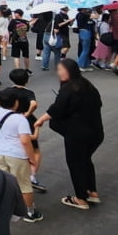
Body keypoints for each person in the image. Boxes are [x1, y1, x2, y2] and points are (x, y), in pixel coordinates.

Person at [35, 58, 103, 210]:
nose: (58, 73)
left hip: (78, 135)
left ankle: (80, 198)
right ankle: (92, 192)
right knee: (85, 160)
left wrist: (41, 119)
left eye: (61, 70)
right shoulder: (87, 85)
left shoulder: (68, 89)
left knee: (76, 164)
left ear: (69, 71)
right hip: (96, 133)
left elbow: (57, 108)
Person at [0, 88, 43, 222]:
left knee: (0, 182)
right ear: (16, 103)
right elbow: (25, 141)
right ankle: (29, 211)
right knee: (24, 184)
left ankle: (0, 208)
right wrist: (31, 159)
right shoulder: (20, 119)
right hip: (17, 155)